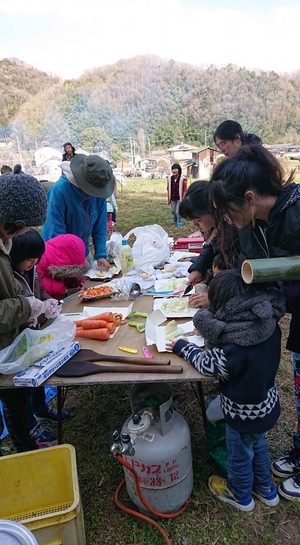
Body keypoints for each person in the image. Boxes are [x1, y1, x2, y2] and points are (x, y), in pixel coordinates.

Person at [209, 143, 300, 500]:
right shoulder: (254, 225)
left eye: (229, 212)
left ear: (249, 198)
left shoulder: (295, 213)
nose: (228, 221)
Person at [167, 270, 286, 511]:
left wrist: (183, 347)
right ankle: (266, 489)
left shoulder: (236, 346)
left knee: (239, 454)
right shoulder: (266, 324)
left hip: (242, 412)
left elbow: (208, 364)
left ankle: (240, 494)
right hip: (265, 403)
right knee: (257, 443)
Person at [0, 166, 61, 452]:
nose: (26, 232)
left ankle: (28, 436)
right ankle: (25, 447)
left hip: (10, 341)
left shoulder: (5, 243)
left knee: (18, 395)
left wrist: (35, 306)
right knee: (12, 400)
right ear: (12, 220)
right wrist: (26, 306)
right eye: (26, 227)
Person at [10, 229, 69, 423]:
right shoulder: (10, 277)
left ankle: (41, 408)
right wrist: (30, 312)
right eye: (29, 260)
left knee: (38, 377)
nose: (33, 264)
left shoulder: (31, 270)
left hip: (35, 334)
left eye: (36, 259)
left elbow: (40, 291)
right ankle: (30, 426)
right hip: (18, 339)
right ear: (15, 255)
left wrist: (48, 302)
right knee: (20, 391)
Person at [41, 155, 115, 271]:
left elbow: (100, 226)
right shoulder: (59, 191)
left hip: (82, 249)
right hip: (58, 252)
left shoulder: (98, 191)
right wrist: (76, 257)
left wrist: (100, 254)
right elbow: (55, 232)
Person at [179, 181, 241, 309]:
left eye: (199, 220)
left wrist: (214, 298)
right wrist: (198, 268)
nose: (196, 225)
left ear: (213, 209)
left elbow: (237, 276)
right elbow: (210, 249)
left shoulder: (233, 232)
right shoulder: (216, 230)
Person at [36, 234, 90, 300]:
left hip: (58, 299)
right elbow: (37, 285)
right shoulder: (39, 259)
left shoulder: (62, 262)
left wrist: (77, 281)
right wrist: (61, 288)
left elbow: (67, 275)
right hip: (45, 302)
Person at [167, 163, 187, 228]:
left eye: (175, 169)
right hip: (172, 197)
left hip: (179, 198)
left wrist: (183, 198)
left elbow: (184, 189)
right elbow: (168, 188)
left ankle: (179, 221)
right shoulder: (170, 178)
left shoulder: (183, 179)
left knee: (178, 211)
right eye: (173, 169)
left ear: (179, 170)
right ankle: (175, 217)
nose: (174, 171)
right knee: (172, 210)